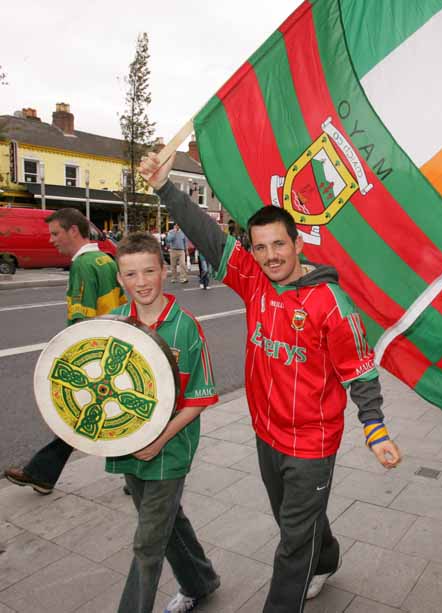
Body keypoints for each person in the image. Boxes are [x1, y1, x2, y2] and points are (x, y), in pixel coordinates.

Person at [139, 151, 402, 612]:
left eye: (278, 245)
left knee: (292, 545)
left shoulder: (329, 303)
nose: (269, 256)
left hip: (312, 444)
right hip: (267, 435)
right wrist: (164, 188)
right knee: (292, 521)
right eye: (259, 247)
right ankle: (328, 557)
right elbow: (209, 237)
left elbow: (358, 368)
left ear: (297, 243)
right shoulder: (255, 281)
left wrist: (374, 426)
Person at [107, 232, 220, 613]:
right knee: (164, 521)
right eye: (131, 274)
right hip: (129, 447)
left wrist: (159, 440)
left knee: (147, 542)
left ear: (165, 271)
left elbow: (200, 397)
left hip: (169, 450)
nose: (141, 282)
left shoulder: (185, 326)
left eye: (149, 271)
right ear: (120, 280)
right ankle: (200, 579)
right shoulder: (115, 324)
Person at [4, 208, 126, 494]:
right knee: (91, 416)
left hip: (93, 353)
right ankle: (43, 473)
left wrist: (70, 357)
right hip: (110, 346)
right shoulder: (105, 260)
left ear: (74, 231)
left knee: (79, 416)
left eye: (56, 233)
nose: (52, 240)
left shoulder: (83, 265)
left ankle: (42, 473)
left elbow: (80, 318)